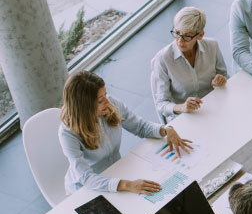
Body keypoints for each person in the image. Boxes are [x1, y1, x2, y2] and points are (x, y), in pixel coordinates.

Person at [59, 71, 192, 195]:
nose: (107, 101)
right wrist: (127, 185)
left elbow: (140, 127)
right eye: (100, 100)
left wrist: (166, 130)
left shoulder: (111, 104)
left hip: (117, 173)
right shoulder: (67, 133)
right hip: (87, 190)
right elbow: (86, 177)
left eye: (105, 94)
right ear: (84, 106)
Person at [151, 6, 228, 123]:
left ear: (200, 35)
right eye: (177, 33)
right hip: (184, 117)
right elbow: (161, 104)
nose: (179, 41)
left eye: (187, 36)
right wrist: (181, 107)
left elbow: (224, 74)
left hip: (214, 106)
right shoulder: (163, 59)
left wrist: (222, 79)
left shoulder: (213, 46)